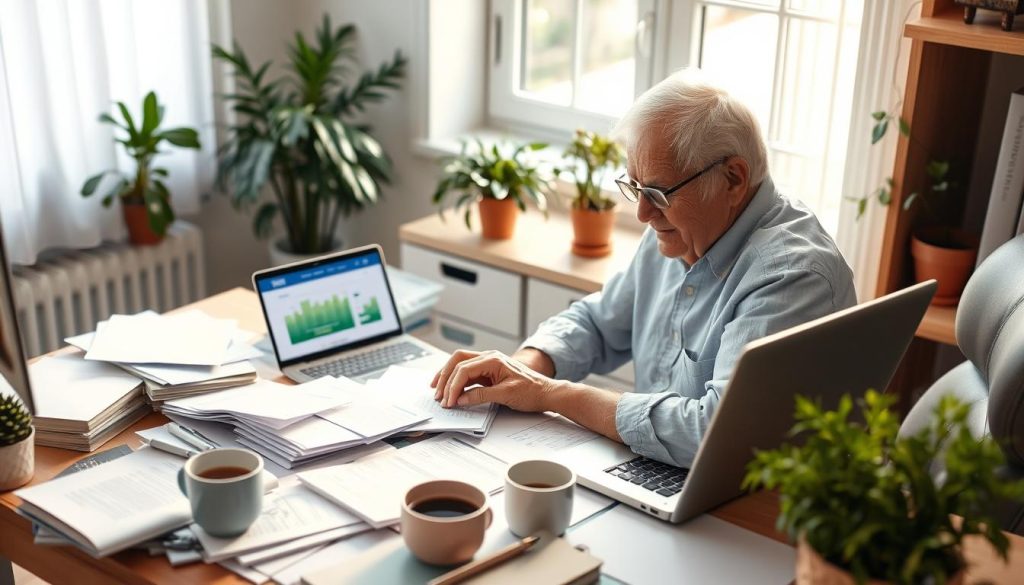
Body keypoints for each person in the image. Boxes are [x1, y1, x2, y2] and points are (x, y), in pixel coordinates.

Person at [431, 70, 857, 467]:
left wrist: (549, 394)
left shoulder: (792, 276)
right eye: (635, 186)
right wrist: (521, 370)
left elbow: (714, 432)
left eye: (656, 191)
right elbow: (599, 323)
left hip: (752, 513)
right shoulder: (682, 229)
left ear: (733, 179)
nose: (641, 212)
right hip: (659, 472)